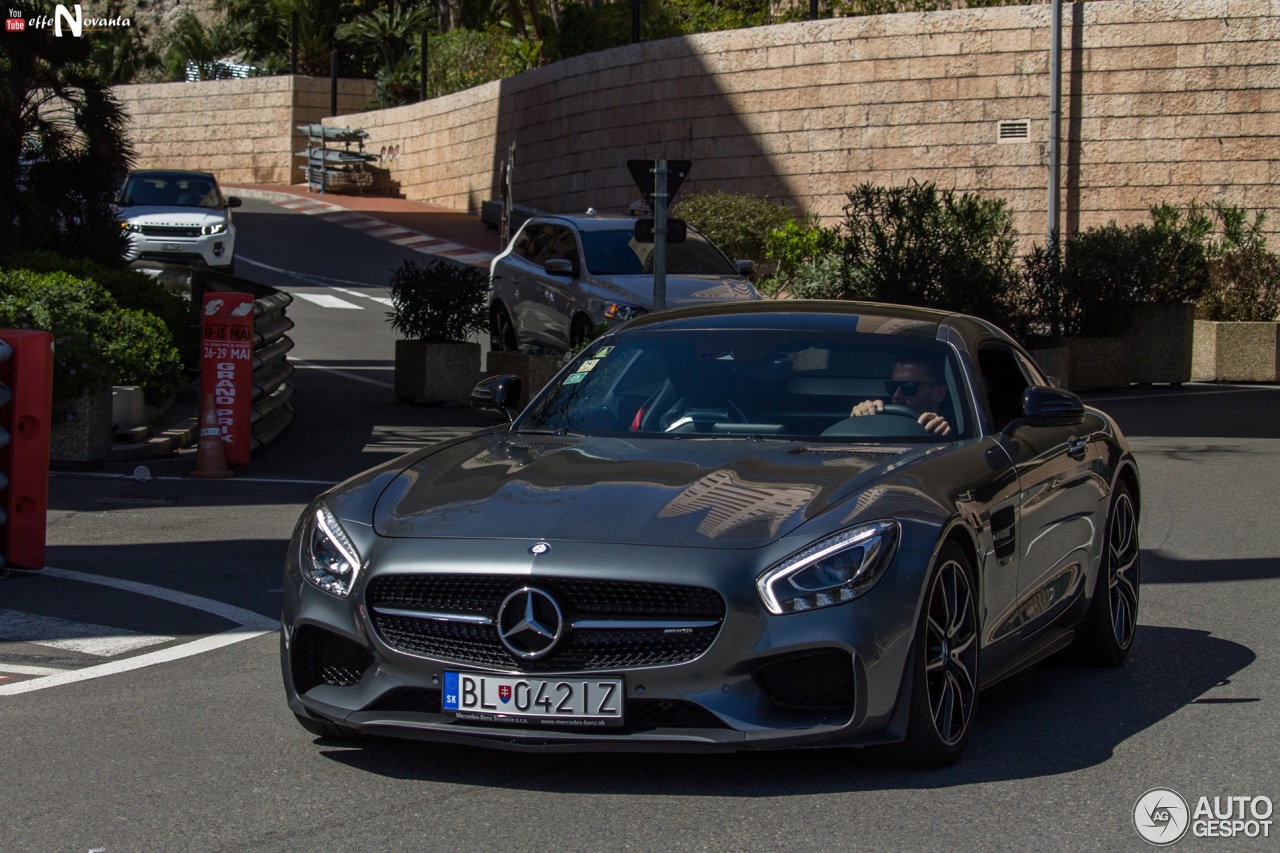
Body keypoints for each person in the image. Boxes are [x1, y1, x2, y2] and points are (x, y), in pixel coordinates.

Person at [850, 355, 952, 435]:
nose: (896, 395)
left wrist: (944, 438)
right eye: (892, 386)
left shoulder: (957, 436)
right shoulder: (879, 425)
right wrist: (862, 421)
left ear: (939, 394)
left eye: (909, 386)